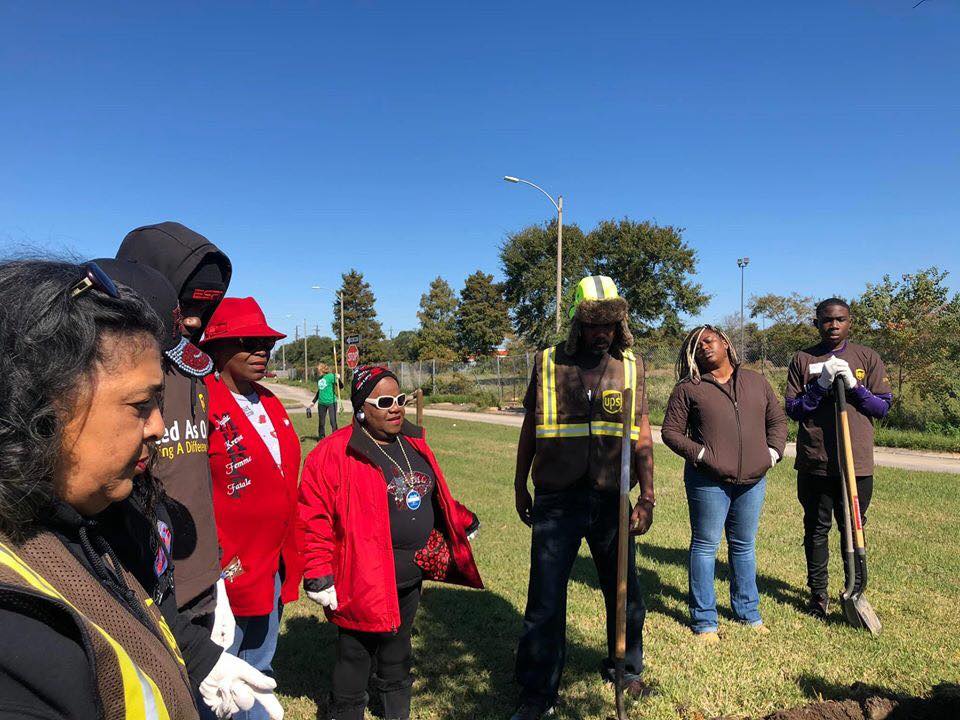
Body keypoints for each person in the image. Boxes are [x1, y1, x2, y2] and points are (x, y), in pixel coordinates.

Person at [0, 259, 281, 719]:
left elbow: (140, 606)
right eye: (140, 405)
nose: (157, 426)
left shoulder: (97, 517)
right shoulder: (17, 617)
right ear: (39, 400)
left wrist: (200, 657)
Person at [298, 365, 482, 720]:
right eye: (384, 401)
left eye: (399, 399)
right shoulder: (333, 453)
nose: (396, 407)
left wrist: (460, 518)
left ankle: (396, 712)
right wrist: (319, 572)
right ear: (361, 408)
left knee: (398, 645)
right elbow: (313, 517)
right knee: (355, 652)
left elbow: (428, 493)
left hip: (410, 575)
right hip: (361, 577)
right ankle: (345, 712)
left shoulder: (412, 443)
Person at [511, 276, 655, 720]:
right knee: (546, 599)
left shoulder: (632, 365)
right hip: (557, 499)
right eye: (594, 324)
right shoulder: (548, 362)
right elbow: (531, 427)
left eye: (610, 325)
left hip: (612, 498)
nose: (602, 333)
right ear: (576, 321)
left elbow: (644, 432)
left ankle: (626, 666)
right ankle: (539, 692)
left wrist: (647, 495)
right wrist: (520, 484)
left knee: (624, 589)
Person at [116, 221, 236, 646]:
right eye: (183, 302)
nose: (192, 319)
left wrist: (214, 575)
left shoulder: (192, 370)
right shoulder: (110, 373)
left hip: (200, 582)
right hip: (143, 592)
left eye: (206, 307)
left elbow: (194, 480)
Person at [201, 297, 304, 720]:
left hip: (273, 559)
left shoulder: (270, 401)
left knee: (259, 664)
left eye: (268, 343)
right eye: (250, 341)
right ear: (219, 348)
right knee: (221, 677)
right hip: (227, 568)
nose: (262, 350)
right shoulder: (201, 401)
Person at [661, 325, 788, 641]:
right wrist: (703, 454)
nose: (703, 347)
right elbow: (671, 433)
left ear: (725, 343)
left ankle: (748, 613)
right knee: (705, 547)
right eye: (696, 345)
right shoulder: (688, 388)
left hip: (753, 481)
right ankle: (705, 621)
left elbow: (778, 421)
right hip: (708, 482)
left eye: (709, 340)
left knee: (744, 546)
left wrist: (772, 454)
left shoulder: (756, 382)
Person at [784, 298, 893, 619]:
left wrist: (855, 387)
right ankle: (818, 595)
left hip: (855, 462)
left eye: (840, 320)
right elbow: (793, 409)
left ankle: (854, 588)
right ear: (816, 322)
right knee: (816, 528)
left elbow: (882, 408)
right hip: (815, 460)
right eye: (827, 320)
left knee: (853, 527)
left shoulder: (867, 357)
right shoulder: (803, 358)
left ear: (850, 322)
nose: (834, 326)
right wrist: (820, 386)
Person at [308, 362, 342, 439]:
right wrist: (313, 401)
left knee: (333, 422)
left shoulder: (330, 376)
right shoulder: (319, 379)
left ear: (322, 370)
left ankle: (335, 438)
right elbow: (319, 391)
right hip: (321, 403)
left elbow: (341, 386)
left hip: (331, 402)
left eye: (318, 371)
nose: (317, 372)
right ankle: (321, 438)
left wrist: (338, 379)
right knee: (321, 423)